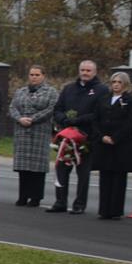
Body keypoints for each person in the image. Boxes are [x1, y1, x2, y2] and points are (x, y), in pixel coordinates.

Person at [48, 59, 105, 214]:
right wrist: (64, 119)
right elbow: (58, 108)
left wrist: (79, 120)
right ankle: (60, 202)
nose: (85, 73)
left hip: (86, 138)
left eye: (88, 71)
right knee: (61, 170)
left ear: (94, 72)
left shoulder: (101, 90)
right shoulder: (68, 88)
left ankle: (79, 205)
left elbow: (99, 113)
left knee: (83, 173)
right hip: (66, 137)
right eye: (82, 70)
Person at [9, 65, 59, 207]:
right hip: (22, 133)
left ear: (43, 76)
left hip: (39, 132)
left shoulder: (51, 92)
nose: (34, 77)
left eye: (37, 75)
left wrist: (33, 119)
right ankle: (23, 196)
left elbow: (51, 109)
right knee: (23, 167)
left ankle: (35, 197)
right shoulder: (21, 91)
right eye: (31, 74)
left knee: (37, 168)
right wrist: (20, 119)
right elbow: (12, 107)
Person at [93, 71, 132, 221]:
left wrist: (115, 137)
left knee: (118, 178)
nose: (116, 85)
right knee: (105, 176)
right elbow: (96, 119)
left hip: (121, 145)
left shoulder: (130, 100)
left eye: (119, 82)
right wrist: (102, 136)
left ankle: (115, 210)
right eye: (114, 82)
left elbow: (131, 122)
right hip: (105, 144)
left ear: (125, 84)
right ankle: (104, 210)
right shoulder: (103, 99)